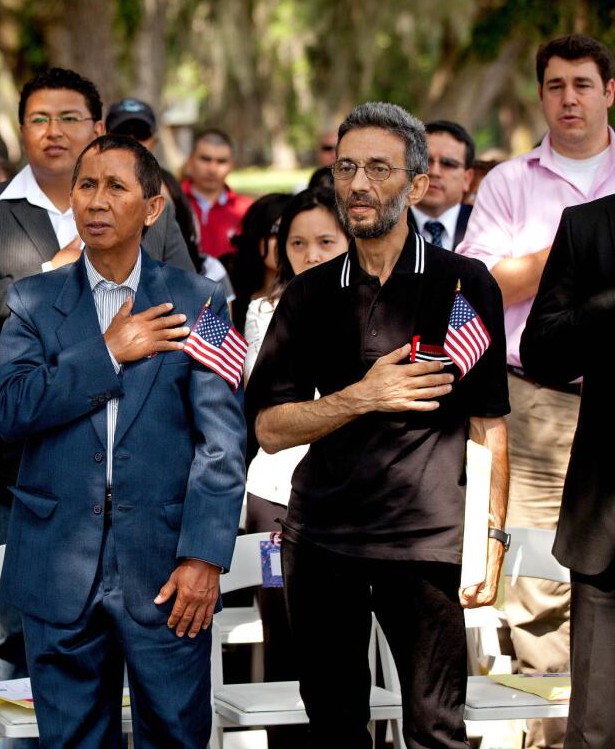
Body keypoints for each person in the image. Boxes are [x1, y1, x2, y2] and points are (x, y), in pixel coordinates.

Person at [249, 102, 510, 748]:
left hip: (426, 544)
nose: (358, 184)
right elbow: (270, 429)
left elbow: (488, 426)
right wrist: (360, 397)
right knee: (335, 727)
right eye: (345, 168)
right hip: (321, 543)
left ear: (418, 185)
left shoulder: (461, 285)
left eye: (377, 169)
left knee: (435, 731)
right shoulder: (308, 294)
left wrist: (491, 541)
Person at [0, 134, 246, 746]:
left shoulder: (201, 299)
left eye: (115, 187)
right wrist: (107, 351)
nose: (96, 201)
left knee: (176, 735)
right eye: (86, 186)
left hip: (167, 568)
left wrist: (204, 557)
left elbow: (223, 441)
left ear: (152, 208)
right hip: (57, 563)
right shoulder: (31, 300)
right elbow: (10, 412)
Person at [0, 66, 190, 676]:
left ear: (99, 127)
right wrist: (46, 279)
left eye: (70, 118)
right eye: (38, 119)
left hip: (136, 452)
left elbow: (191, 305)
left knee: (144, 640)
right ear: (20, 130)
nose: (53, 131)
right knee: (28, 635)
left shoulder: (149, 203)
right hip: (25, 454)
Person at [457, 34, 615, 747]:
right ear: (540, 95)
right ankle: (556, 736)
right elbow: (480, 290)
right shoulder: (509, 184)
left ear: (609, 91)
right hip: (541, 401)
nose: (570, 98)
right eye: (555, 85)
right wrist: (576, 253)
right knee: (545, 585)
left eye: (583, 83)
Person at [240, 185, 348, 749]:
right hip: (276, 493)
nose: (309, 253)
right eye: (297, 243)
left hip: (354, 495)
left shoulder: (381, 305)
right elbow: (269, 410)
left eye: (325, 241)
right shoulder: (264, 310)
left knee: (349, 647)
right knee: (284, 637)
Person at [522, 191, 615, 748]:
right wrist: (605, 305)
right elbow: (542, 351)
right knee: (597, 727)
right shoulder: (589, 225)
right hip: (609, 523)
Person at [106, 97, 207, 276]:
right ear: (104, 136)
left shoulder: (170, 186)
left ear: (154, 140)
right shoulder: (87, 186)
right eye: (121, 132)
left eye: (140, 132)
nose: (131, 139)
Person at [181, 129, 252, 260]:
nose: (212, 169)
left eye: (221, 161)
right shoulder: (172, 202)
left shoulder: (247, 209)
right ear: (190, 161)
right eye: (205, 159)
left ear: (231, 166)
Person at [228, 193, 292, 333]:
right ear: (255, 235)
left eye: (291, 232)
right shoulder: (232, 299)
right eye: (275, 232)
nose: (282, 241)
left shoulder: (310, 297)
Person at [412, 120, 475, 250]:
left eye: (448, 164)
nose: (434, 172)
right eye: (425, 161)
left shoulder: (484, 226)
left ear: (467, 179)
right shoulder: (388, 222)